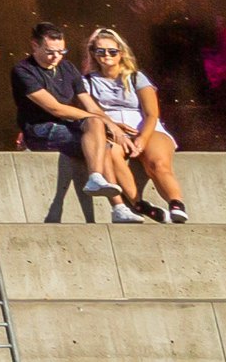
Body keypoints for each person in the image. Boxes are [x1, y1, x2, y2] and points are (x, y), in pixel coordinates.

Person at [10, 23, 151, 225]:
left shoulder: (67, 67)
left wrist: (111, 125)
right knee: (99, 136)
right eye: (50, 52)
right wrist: (101, 121)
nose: (56, 57)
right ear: (35, 46)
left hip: (67, 126)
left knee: (102, 136)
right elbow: (55, 108)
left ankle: (114, 202)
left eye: (61, 51)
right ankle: (113, 200)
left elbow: (89, 104)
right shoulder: (23, 71)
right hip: (40, 130)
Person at [81, 29, 190, 224]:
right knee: (110, 154)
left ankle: (176, 204)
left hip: (145, 127)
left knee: (157, 162)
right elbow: (92, 111)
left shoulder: (135, 77)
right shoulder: (87, 81)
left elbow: (151, 113)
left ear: (121, 53)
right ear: (93, 54)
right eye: (101, 51)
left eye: (112, 51)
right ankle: (138, 203)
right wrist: (114, 127)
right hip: (113, 129)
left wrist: (142, 139)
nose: (107, 55)